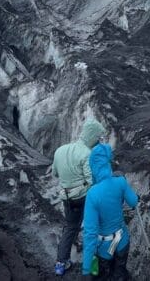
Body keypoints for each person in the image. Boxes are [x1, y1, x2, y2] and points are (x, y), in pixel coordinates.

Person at [52, 118, 104, 276]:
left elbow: (55, 173)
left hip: (67, 198)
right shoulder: (87, 154)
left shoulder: (60, 150)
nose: (98, 141)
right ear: (92, 136)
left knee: (70, 228)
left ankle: (60, 264)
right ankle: (93, 265)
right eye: (98, 137)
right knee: (92, 227)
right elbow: (91, 181)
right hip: (83, 197)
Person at [82, 143, 140, 280]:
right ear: (108, 163)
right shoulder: (120, 182)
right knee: (120, 272)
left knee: (103, 276)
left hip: (104, 247)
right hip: (122, 241)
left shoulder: (92, 194)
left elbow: (90, 233)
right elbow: (133, 202)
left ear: (93, 167)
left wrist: (86, 266)